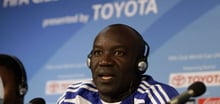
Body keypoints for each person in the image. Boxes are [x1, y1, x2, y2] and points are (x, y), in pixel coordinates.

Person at [57, 24, 179, 104]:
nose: (105, 61)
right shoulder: (74, 96)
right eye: (98, 52)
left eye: (118, 53)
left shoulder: (156, 97)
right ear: (89, 61)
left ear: (139, 64)